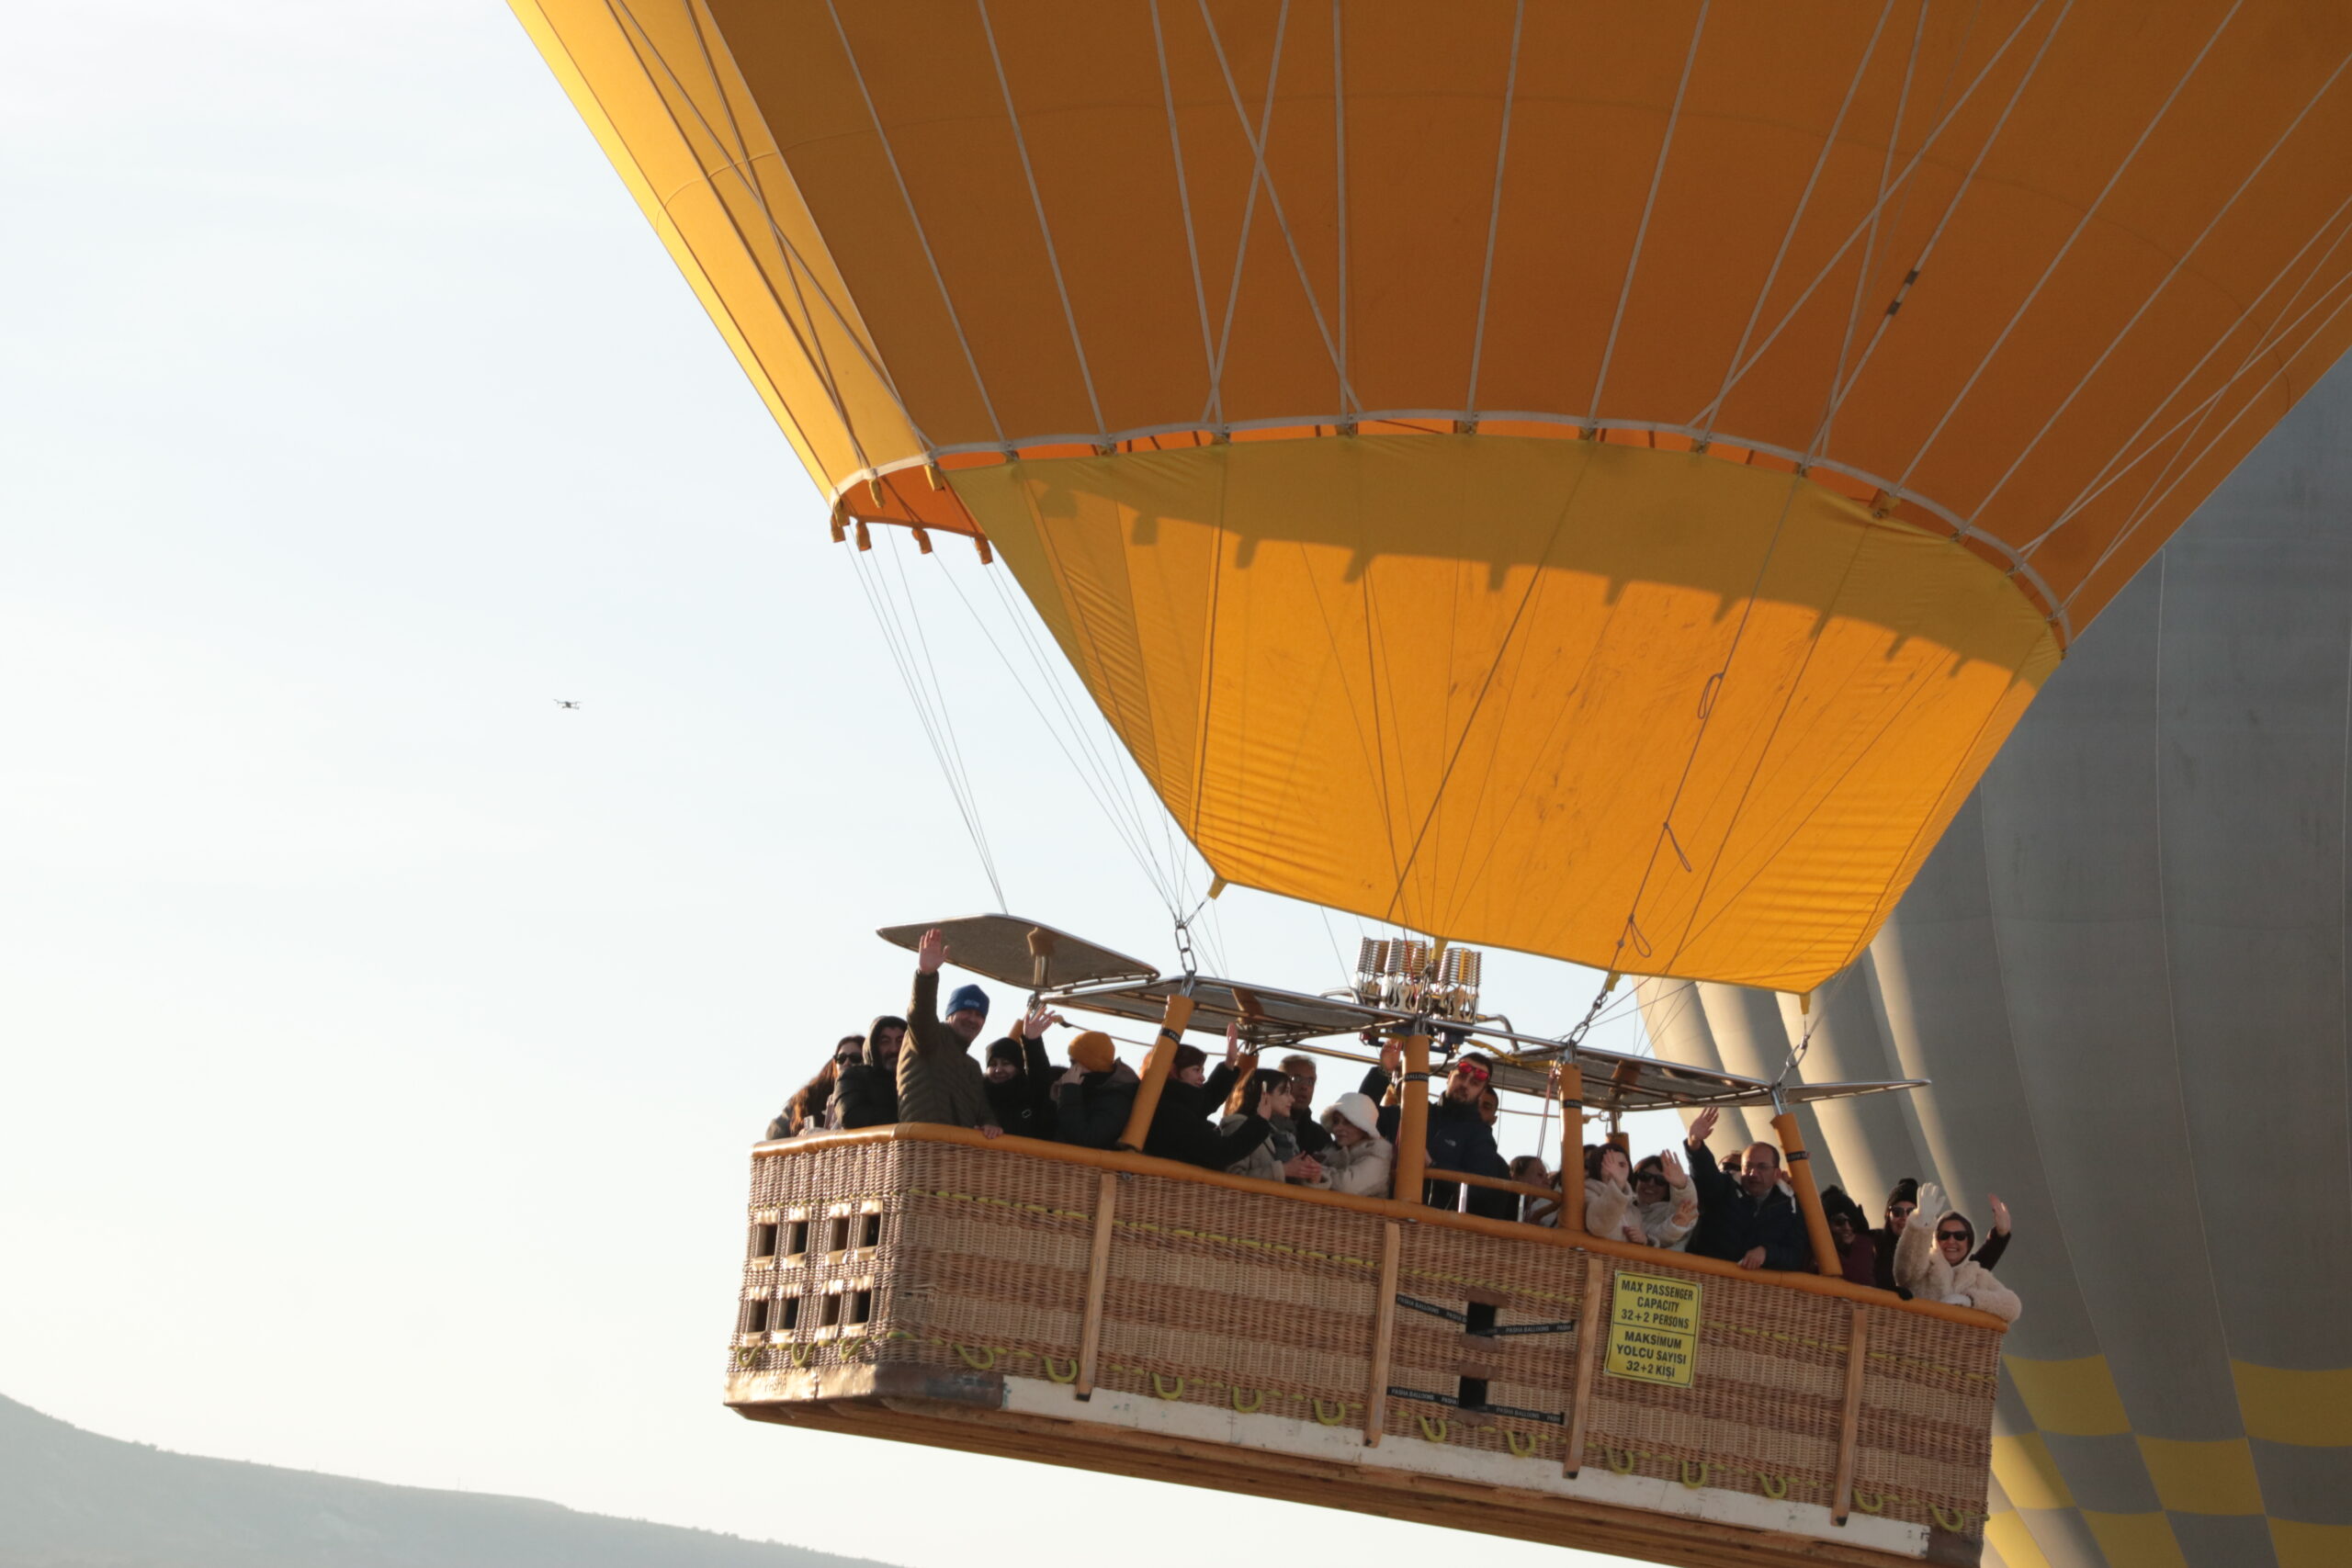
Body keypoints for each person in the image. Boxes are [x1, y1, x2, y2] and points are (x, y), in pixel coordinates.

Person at [1682, 1106, 1812, 1271]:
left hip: (1753, 1291)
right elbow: (1705, 1175)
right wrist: (1695, 1145)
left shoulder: (1790, 1206)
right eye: (1748, 1166)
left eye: (1762, 1167)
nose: (1753, 1173)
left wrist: (1767, 1253)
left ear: (1776, 1173)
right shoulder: (1724, 1188)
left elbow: (1795, 1254)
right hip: (1705, 1278)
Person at [899, 929, 1002, 1134]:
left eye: (979, 1015)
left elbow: (982, 1109)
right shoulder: (928, 1039)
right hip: (921, 1150)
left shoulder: (972, 1067)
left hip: (954, 1157)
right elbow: (920, 1013)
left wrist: (991, 1124)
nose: (972, 1019)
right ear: (949, 1015)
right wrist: (926, 975)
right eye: (965, 1011)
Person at [1147, 1024, 1272, 1170]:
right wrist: (1260, 1122)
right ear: (1174, 1070)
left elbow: (1205, 1100)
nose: (1203, 1077)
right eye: (1196, 1070)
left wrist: (1230, 1063)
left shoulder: (1172, 1102)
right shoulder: (1172, 1112)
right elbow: (1221, 1153)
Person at [1894, 1182, 2021, 1322]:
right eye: (1944, 1235)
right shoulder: (1925, 1266)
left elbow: (2012, 1305)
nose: (1951, 1241)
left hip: (1960, 1343)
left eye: (1959, 1236)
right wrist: (1921, 1223)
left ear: (1969, 1242)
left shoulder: (1976, 1275)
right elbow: (1906, 1271)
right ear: (1935, 1239)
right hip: (1920, 1340)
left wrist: (1970, 1299)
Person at [1221, 1068, 1323, 1184]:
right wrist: (1283, 1170)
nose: (1292, 1099)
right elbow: (1232, 1177)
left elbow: (1291, 1182)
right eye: (1286, 1092)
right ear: (1265, 1094)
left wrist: (1312, 1177)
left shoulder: (1287, 1136)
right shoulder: (1238, 1126)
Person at [982, 1008, 1060, 1140]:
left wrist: (1032, 1041)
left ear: (1018, 1067)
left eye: (1006, 1063)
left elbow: (1040, 1074)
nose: (998, 1069)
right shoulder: (979, 1094)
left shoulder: (1029, 1093)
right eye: (993, 1064)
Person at [1052, 1031, 1138, 1149]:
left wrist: (1070, 1090)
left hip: (1083, 1165)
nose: (1071, 1070)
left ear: (1091, 1064)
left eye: (1074, 1063)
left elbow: (1086, 1139)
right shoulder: (1087, 1088)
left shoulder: (1116, 1098)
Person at [767, 1035, 862, 1138]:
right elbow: (774, 1133)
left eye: (855, 1058)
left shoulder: (871, 1095)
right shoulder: (810, 1097)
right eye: (841, 1059)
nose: (847, 1063)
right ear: (834, 1064)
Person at [832, 1016, 907, 1130]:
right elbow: (850, 1115)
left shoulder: (919, 1078)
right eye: (885, 1042)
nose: (894, 1049)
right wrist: (903, 1119)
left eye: (900, 1041)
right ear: (874, 1046)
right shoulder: (853, 1077)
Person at [1317, 1091, 1393, 1197]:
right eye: (1335, 1121)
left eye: (1347, 1122)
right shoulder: (1328, 1155)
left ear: (1363, 1127)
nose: (1338, 1128)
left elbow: (1347, 1187)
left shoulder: (1379, 1155)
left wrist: (1314, 1171)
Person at [1583, 1144, 1649, 1247]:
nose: (1616, 1170)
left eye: (1622, 1165)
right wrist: (1617, 1186)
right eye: (1609, 1163)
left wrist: (1643, 1240)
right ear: (1596, 1167)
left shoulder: (1634, 1211)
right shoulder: (1586, 1193)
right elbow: (1598, 1227)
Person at [1631, 1151, 1698, 1250]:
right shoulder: (1624, 1207)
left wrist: (1681, 1186)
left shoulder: (1667, 1211)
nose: (1651, 1183)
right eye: (1645, 1176)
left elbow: (1685, 1209)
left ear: (1668, 1187)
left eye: (1660, 1180)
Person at [1275, 1054, 1335, 1156]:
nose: (1304, 1086)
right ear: (1279, 1083)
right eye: (1296, 1079)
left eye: (1310, 1081)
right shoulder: (1259, 1124)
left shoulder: (1320, 1135)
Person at [1819, 1184, 1877, 1286]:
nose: (1847, 1227)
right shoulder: (1816, 1254)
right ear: (1826, 1224)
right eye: (1839, 1221)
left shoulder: (1872, 1248)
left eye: (1852, 1221)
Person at [1871, 1179, 1919, 1290]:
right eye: (1897, 1212)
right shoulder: (1873, 1242)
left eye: (1911, 1212)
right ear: (1888, 1215)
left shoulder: (1932, 1251)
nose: (1904, 1217)